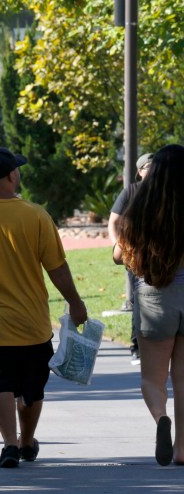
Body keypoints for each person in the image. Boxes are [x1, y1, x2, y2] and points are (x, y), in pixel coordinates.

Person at [0, 147, 88, 468]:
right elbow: (57, 268)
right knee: (33, 389)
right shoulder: (36, 215)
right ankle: (25, 441)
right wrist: (75, 303)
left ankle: (9, 443)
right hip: (33, 323)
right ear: (11, 176)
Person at [113, 144, 184, 465]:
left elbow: (119, 255)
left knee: (152, 379)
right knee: (182, 379)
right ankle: (183, 450)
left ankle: (160, 419)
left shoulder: (139, 207)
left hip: (154, 297)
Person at [109, 152, 153, 366]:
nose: (152, 170)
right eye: (148, 166)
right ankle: (137, 346)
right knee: (138, 301)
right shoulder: (131, 191)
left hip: (165, 261)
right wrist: (119, 246)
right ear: (140, 170)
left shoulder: (167, 193)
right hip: (138, 259)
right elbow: (114, 222)